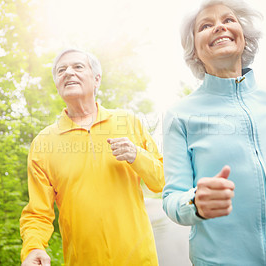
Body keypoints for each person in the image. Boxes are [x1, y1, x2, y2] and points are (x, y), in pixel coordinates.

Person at [162, 0, 266, 265]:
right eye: (205, 25)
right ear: (194, 50)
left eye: (228, 20)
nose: (219, 26)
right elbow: (173, 197)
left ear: (245, 36)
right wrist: (196, 203)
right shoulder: (180, 115)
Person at [20, 48, 164, 266]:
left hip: (139, 259)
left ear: (97, 79)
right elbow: (37, 212)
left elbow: (161, 181)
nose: (68, 72)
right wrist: (33, 247)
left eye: (78, 66)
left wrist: (137, 155)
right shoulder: (43, 143)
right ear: (58, 85)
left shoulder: (128, 122)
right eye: (61, 70)